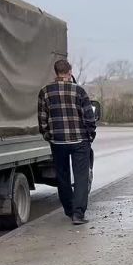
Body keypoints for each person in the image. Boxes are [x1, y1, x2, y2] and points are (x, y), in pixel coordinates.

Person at [37, 59, 96, 225]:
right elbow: (89, 118)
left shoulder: (45, 92)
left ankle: (69, 210)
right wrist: (90, 135)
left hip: (58, 141)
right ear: (69, 71)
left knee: (62, 177)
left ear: (56, 72)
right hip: (79, 140)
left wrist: (49, 136)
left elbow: (42, 119)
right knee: (80, 177)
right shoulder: (79, 91)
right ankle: (78, 214)